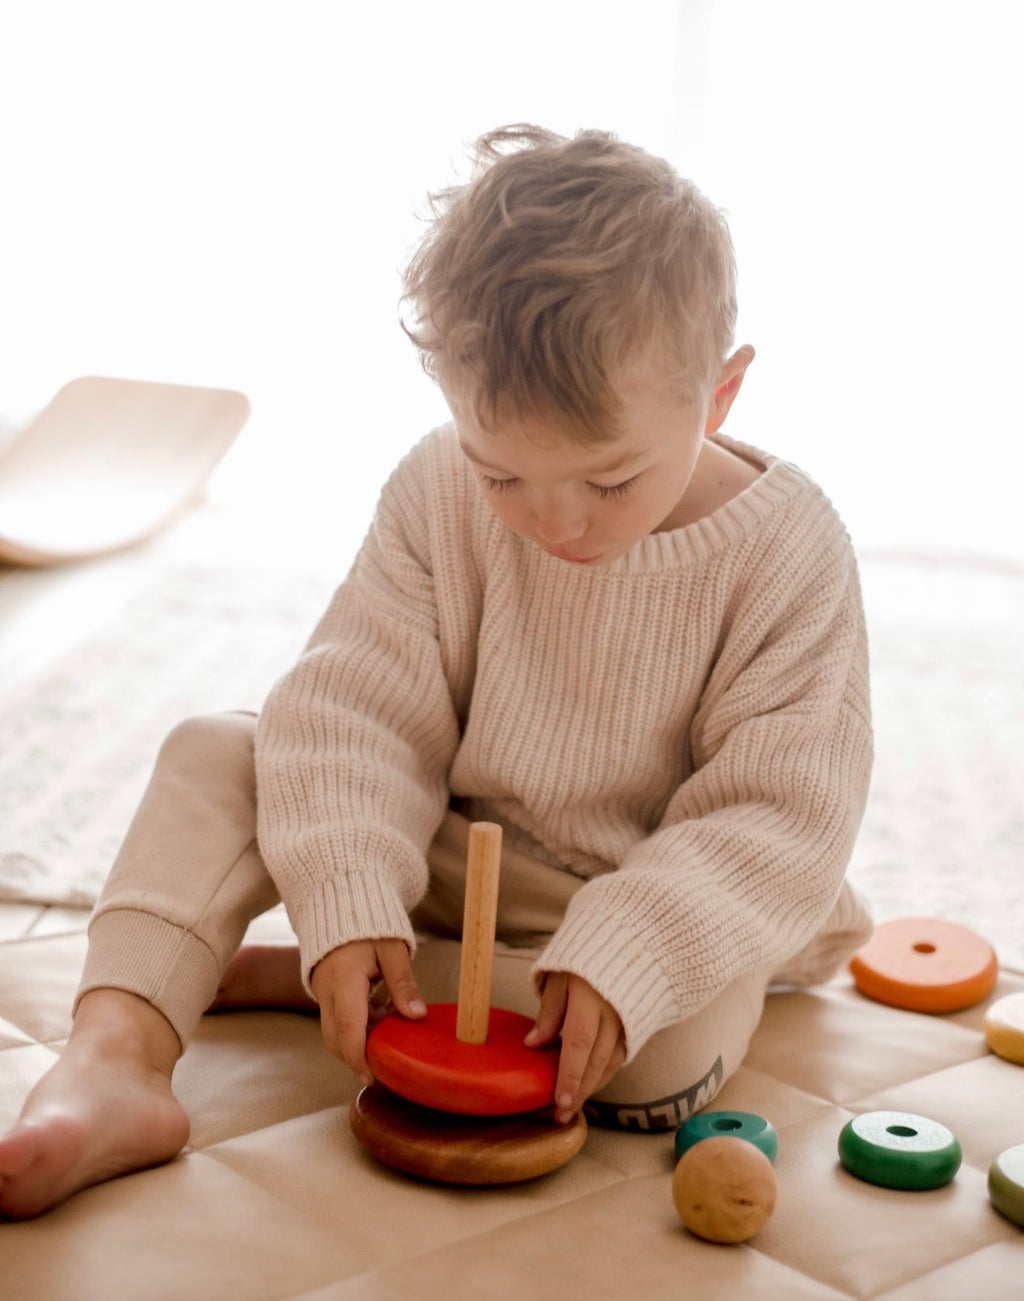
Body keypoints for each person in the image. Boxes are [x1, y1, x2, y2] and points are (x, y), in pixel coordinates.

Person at [0, 124, 873, 1219]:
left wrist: (623, 956)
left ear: (718, 397)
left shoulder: (789, 550)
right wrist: (352, 878)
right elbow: (358, 707)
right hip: (452, 847)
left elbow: (779, 812)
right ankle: (118, 1058)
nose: (554, 522)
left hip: (642, 887)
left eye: (608, 482)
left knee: (657, 1055)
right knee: (219, 750)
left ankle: (338, 966)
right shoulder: (433, 487)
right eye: (501, 471)